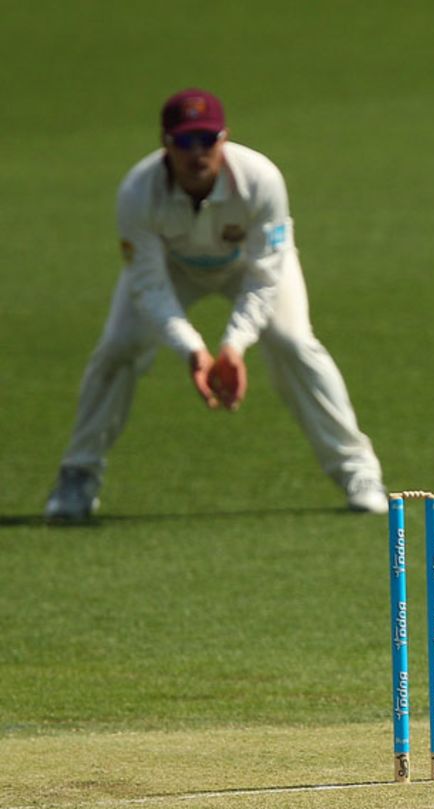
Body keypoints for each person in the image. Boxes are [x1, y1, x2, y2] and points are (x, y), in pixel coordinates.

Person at [43, 88, 386, 522]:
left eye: (207, 139)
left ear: (224, 139)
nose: (197, 152)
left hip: (249, 266)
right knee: (118, 347)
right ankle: (78, 475)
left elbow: (265, 276)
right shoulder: (137, 192)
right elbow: (147, 286)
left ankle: (359, 472)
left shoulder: (261, 180)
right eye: (185, 142)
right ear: (166, 143)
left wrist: (233, 346)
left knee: (294, 343)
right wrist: (193, 349)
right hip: (173, 269)